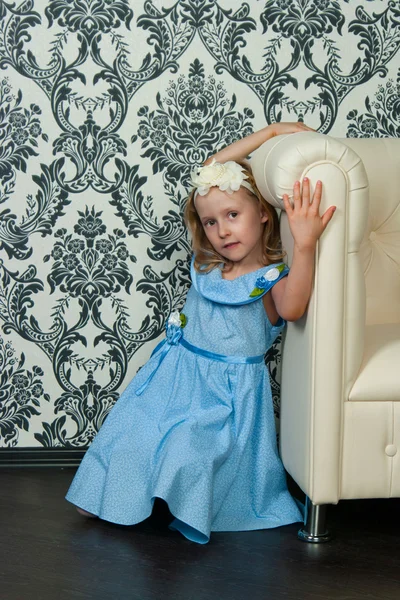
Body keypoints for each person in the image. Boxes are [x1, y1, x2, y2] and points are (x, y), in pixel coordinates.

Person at [66, 122, 336, 544]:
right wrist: (270, 133)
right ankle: (117, 493)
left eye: (233, 215)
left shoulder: (271, 276)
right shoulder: (209, 261)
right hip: (176, 376)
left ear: (263, 213)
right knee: (132, 431)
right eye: (211, 222)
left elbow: (293, 308)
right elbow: (211, 169)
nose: (222, 230)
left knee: (188, 446)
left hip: (225, 397)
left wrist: (304, 245)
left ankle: (173, 499)